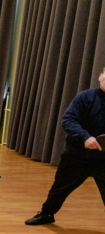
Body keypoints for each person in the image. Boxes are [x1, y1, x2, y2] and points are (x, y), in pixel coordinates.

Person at [25, 67, 105, 225]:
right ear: (100, 76)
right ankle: (47, 214)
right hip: (77, 156)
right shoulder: (84, 97)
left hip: (103, 159)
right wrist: (85, 137)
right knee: (59, 188)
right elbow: (68, 119)